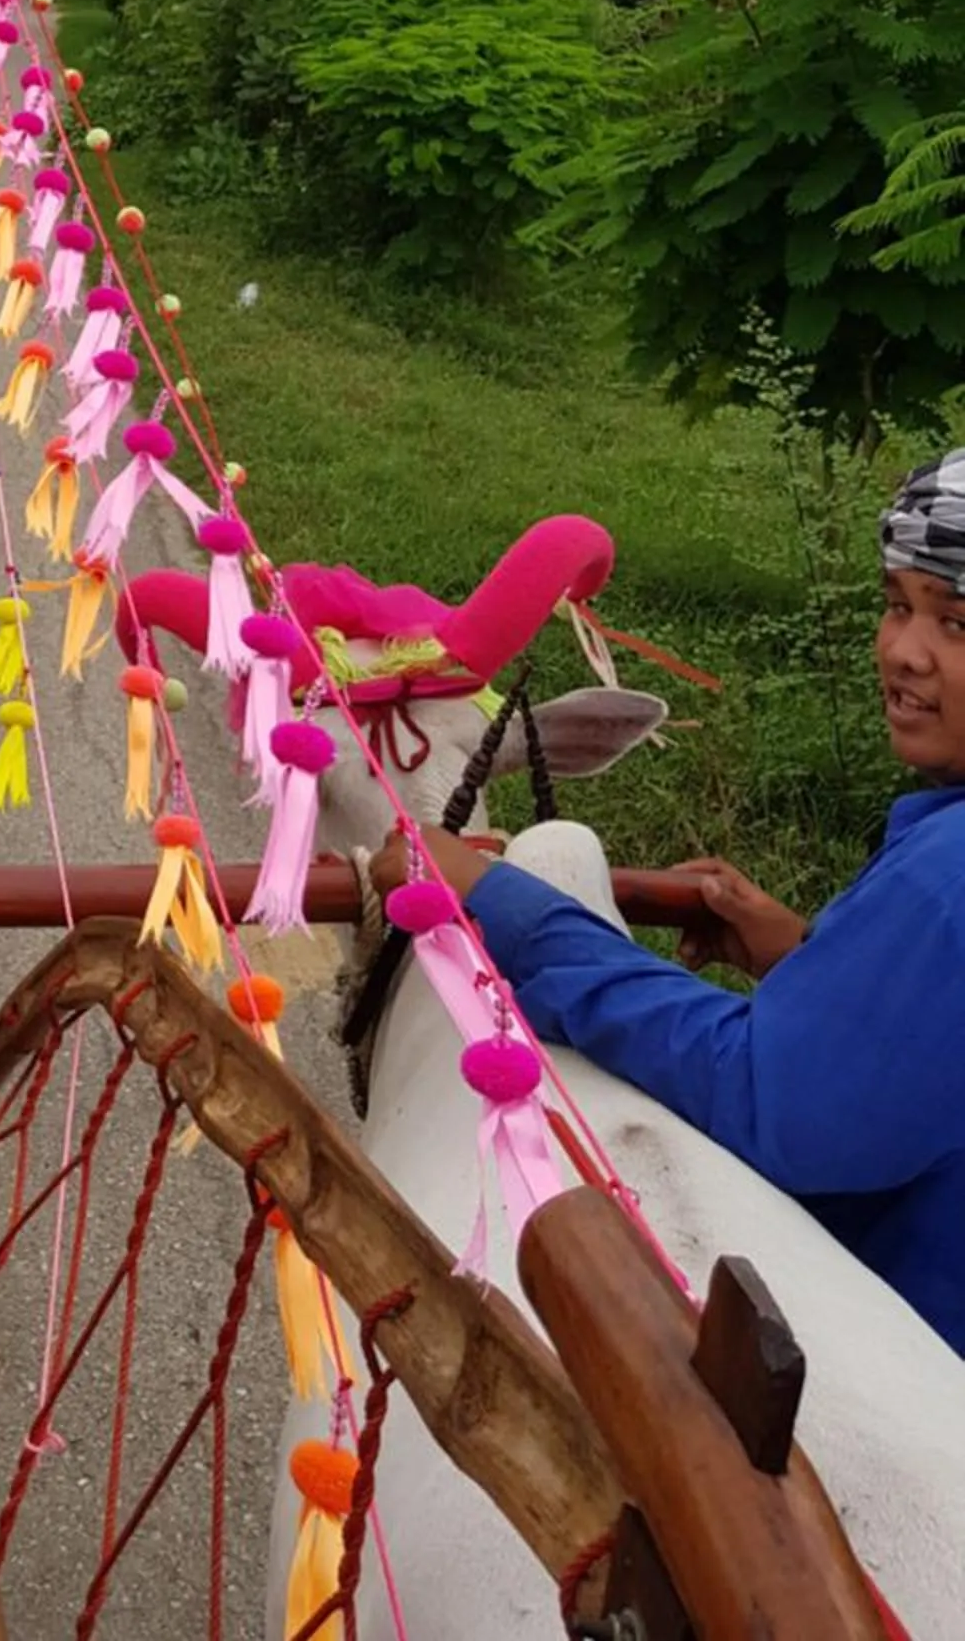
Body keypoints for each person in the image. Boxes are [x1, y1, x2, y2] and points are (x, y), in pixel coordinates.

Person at [372, 449, 965, 1359]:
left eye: (954, 623)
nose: (902, 649)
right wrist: (805, 956)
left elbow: (776, 1107)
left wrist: (505, 906)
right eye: (896, 604)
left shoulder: (945, 878)